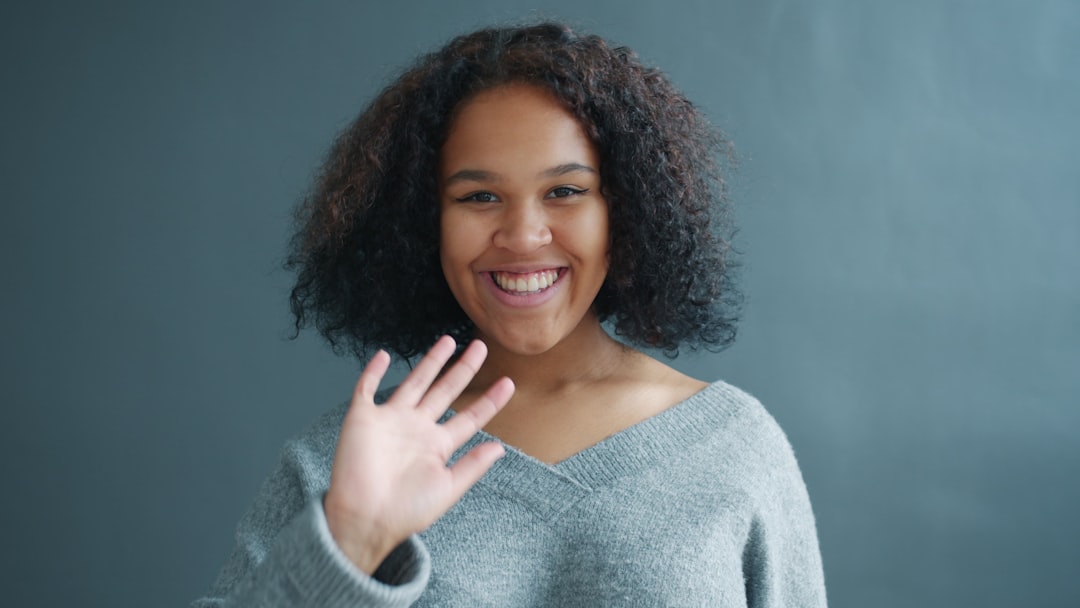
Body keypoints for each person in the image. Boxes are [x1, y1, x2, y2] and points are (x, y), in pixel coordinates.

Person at [194, 22, 826, 607]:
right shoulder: (340, 462)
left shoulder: (735, 449)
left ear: (625, 210)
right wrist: (351, 543)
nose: (523, 236)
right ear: (424, 223)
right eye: (480, 196)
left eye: (565, 192)